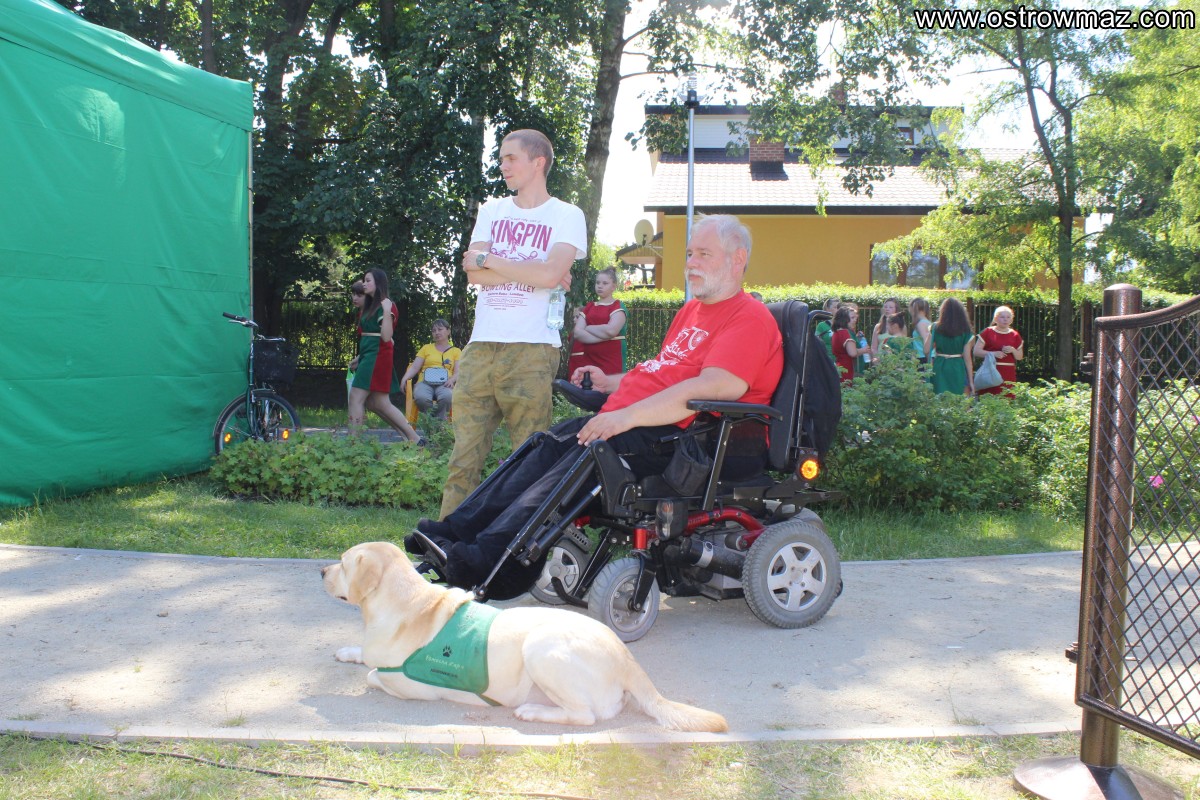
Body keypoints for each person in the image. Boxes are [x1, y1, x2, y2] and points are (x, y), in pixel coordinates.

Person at [410, 215, 783, 597]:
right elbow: (663, 372)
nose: (691, 263)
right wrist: (610, 383)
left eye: (703, 254)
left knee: (577, 462)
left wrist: (624, 418)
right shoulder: (692, 312)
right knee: (545, 446)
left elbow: (714, 387)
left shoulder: (750, 318)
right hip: (644, 425)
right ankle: (452, 532)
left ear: (738, 259)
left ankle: (486, 561)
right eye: (689, 254)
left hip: (693, 441)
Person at [444, 129, 588, 519]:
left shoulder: (566, 215)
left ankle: (517, 544)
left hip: (533, 350)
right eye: (501, 158)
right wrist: (535, 271)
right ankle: (444, 540)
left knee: (529, 460)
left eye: (511, 158)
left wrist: (490, 260)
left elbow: (548, 273)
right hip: (480, 348)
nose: (503, 166)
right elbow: (473, 273)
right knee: (463, 460)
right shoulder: (492, 210)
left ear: (538, 162)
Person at [347, 268, 424, 444]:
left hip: (377, 357)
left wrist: (388, 310)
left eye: (368, 280)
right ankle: (414, 438)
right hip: (370, 356)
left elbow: (387, 337)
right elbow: (371, 336)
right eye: (364, 280)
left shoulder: (386, 305)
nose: (364, 284)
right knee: (378, 403)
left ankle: (353, 443)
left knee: (356, 397)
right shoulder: (370, 306)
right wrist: (360, 358)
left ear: (378, 283)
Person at [567, 267, 627, 376]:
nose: (600, 286)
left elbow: (611, 330)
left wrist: (588, 328)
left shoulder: (617, 306)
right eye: (598, 282)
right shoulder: (589, 307)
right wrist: (606, 337)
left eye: (605, 283)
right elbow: (577, 333)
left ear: (613, 286)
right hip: (589, 363)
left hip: (612, 363)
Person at [400, 320, 461, 420]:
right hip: (424, 382)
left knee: (447, 397)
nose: (437, 332)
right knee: (421, 397)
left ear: (448, 331)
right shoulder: (426, 348)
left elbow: (458, 372)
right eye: (434, 330)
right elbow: (414, 367)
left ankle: (437, 424)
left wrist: (452, 380)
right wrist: (404, 379)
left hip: (445, 383)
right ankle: (433, 423)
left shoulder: (456, 351)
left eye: (440, 329)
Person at [973, 305, 1024, 397]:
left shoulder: (1015, 335)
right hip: (990, 370)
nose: (1005, 320)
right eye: (1002, 317)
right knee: (989, 398)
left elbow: (1019, 357)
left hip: (1008, 373)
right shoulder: (988, 332)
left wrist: (1012, 350)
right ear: (996, 318)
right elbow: (976, 351)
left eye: (1008, 317)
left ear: (1011, 320)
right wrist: (992, 354)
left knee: (1007, 398)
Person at [929, 297, 974, 395]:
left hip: (939, 365)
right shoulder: (966, 330)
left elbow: (926, 350)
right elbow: (967, 358)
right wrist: (971, 381)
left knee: (939, 397)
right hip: (957, 367)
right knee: (957, 398)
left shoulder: (935, 327)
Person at [830, 303, 864, 384]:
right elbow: (852, 353)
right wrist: (864, 350)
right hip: (847, 369)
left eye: (855, 317)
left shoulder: (836, 332)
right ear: (844, 319)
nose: (855, 320)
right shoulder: (845, 333)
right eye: (852, 318)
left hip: (839, 366)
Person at [909, 297, 933, 362]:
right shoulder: (927, 322)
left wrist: (930, 361)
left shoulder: (921, 324)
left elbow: (926, 341)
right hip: (926, 357)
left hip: (923, 357)